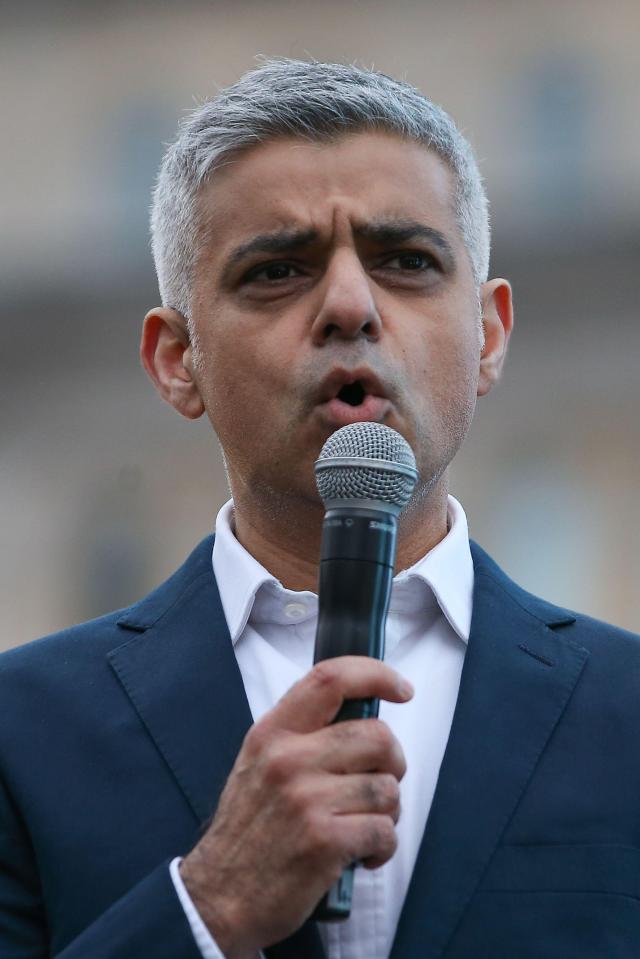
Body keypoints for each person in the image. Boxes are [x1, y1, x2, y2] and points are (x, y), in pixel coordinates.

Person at [1, 59, 639, 959]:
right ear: (177, 359)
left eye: (408, 262)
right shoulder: (18, 731)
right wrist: (208, 906)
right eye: (277, 271)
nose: (349, 305)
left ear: (489, 337)